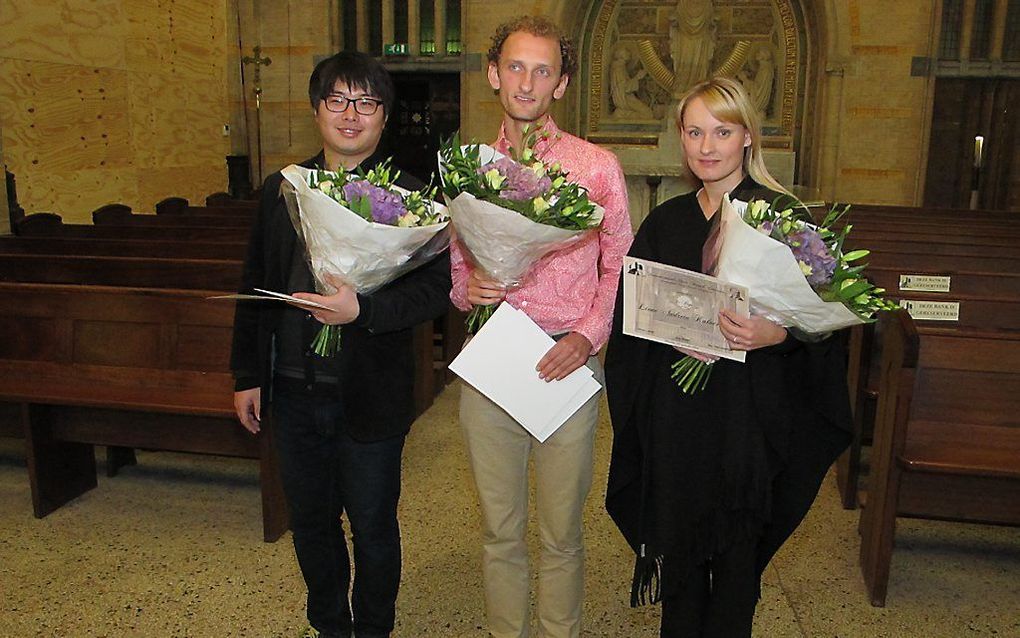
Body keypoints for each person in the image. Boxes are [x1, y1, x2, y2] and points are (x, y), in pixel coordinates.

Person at [604, 77, 852, 637]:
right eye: (694, 132)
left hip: (748, 423)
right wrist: (663, 333)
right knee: (683, 566)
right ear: (681, 139)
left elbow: (825, 322)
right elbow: (630, 320)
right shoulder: (666, 222)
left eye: (722, 130)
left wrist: (776, 334)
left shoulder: (782, 219)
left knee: (737, 571)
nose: (707, 145)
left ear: (746, 137)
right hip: (680, 422)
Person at [230, 51, 451, 638]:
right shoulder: (284, 189)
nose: (351, 115)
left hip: (369, 393)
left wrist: (366, 309)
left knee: (374, 525)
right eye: (338, 100)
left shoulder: (408, 196)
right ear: (317, 109)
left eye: (366, 102)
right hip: (294, 390)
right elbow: (255, 283)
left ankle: (374, 628)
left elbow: (436, 289)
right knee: (311, 523)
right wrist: (246, 374)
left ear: (384, 115)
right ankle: (329, 624)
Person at [450, 16, 633, 638]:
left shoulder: (596, 166)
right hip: (493, 361)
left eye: (544, 69)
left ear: (561, 83)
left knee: (560, 533)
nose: (528, 82)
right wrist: (466, 288)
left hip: (567, 361)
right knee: (501, 529)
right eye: (517, 67)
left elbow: (620, 266)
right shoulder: (467, 170)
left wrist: (589, 336)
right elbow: (456, 271)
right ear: (494, 74)